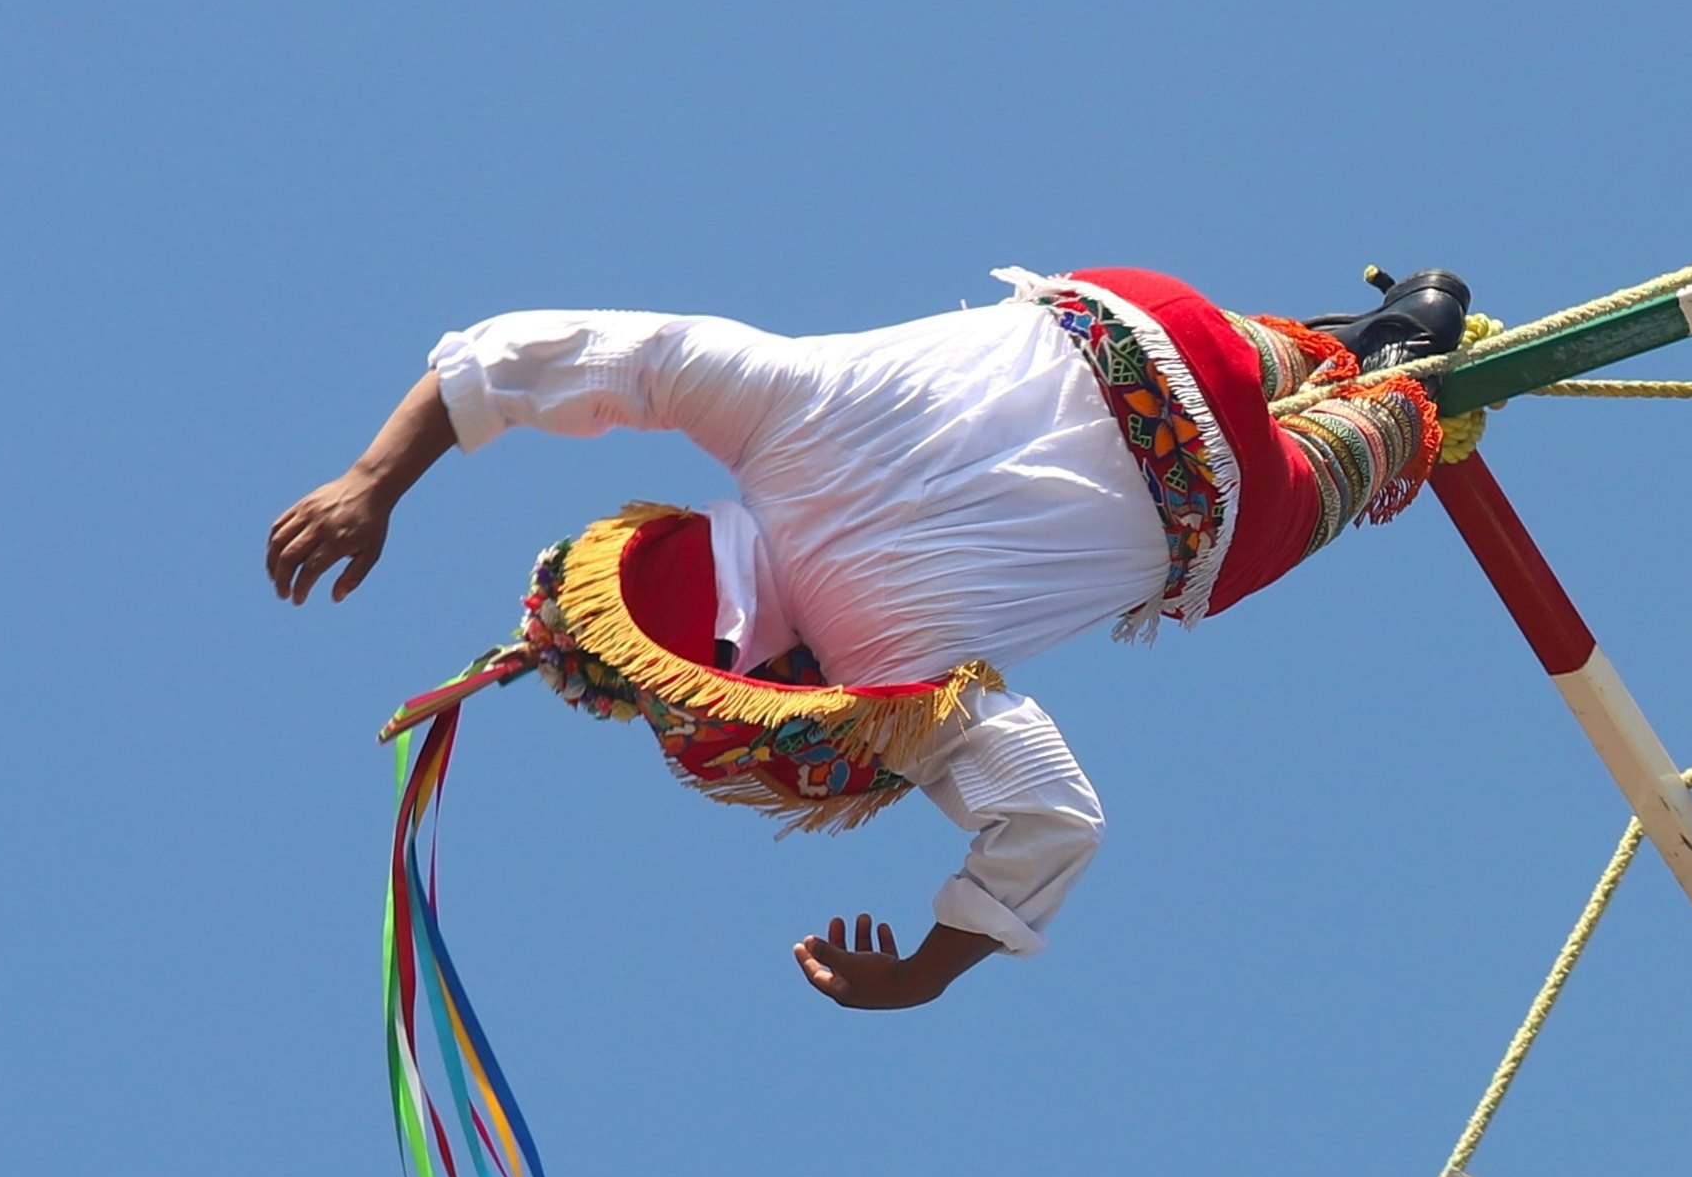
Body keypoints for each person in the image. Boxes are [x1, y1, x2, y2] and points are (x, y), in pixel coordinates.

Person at [278, 262, 1481, 1009]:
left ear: (748, 689)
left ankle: (1402, 385)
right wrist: (372, 479)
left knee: (1333, 462)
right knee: (1213, 347)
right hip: (1142, 320)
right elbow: (553, 353)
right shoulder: (769, 406)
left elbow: (1053, 816)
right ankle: (1343, 343)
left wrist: (928, 967)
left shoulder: (888, 683)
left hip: (1221, 496)